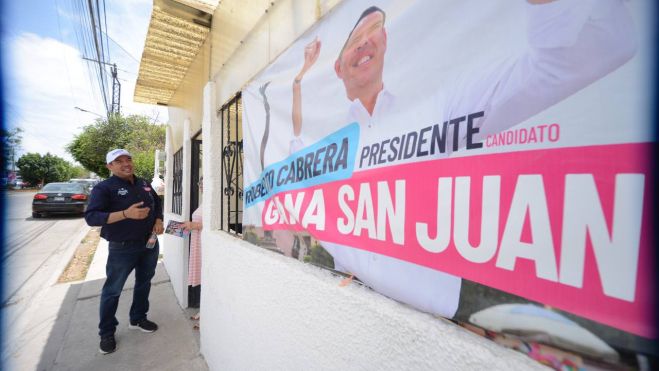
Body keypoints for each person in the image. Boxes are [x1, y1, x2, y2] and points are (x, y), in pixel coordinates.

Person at [287, 1, 636, 318]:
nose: (365, 42)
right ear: (337, 66)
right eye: (354, 38)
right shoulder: (329, 142)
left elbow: (587, 55)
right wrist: (300, 79)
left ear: (387, 42)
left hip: (432, 329)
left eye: (373, 30)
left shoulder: (438, 107)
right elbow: (295, 160)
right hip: (349, 304)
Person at [85, 149, 164, 354]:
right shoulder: (104, 188)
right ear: (109, 166)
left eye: (128, 159)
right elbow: (92, 217)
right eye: (118, 161)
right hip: (122, 248)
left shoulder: (144, 183)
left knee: (144, 283)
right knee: (113, 290)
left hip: (149, 244)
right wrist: (125, 214)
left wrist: (158, 219)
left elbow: (157, 203)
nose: (125, 164)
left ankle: (138, 319)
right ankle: (107, 332)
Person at [182, 176, 203, 326]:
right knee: (202, 277)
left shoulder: (213, 202)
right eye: (199, 182)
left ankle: (205, 313)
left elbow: (212, 224)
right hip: (197, 241)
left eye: (203, 182)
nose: (200, 185)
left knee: (206, 277)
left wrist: (194, 225)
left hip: (204, 244)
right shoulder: (204, 201)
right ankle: (204, 311)